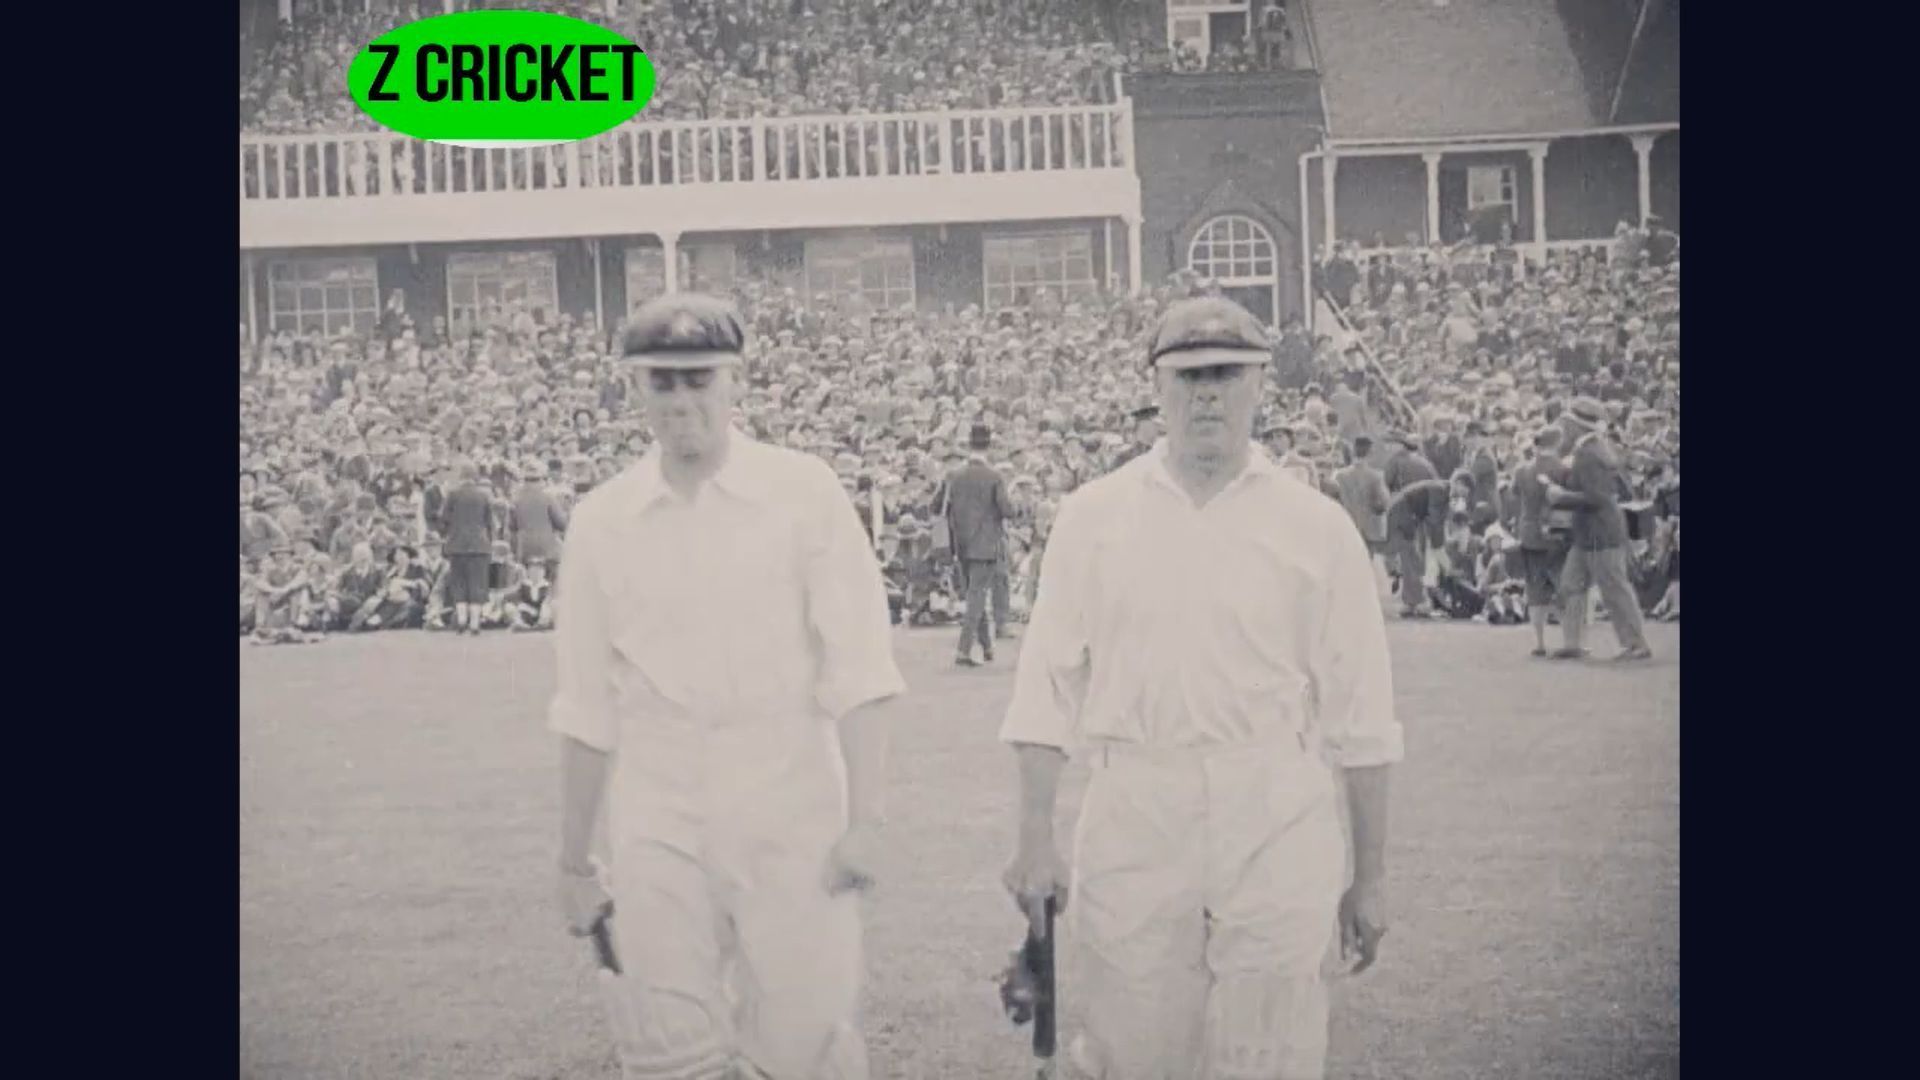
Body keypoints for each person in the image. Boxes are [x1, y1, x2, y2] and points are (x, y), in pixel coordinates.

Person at [999, 296, 1401, 1080]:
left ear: (1259, 388)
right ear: (1158, 388)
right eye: (1187, 377)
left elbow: (1364, 719)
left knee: (1271, 1050)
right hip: (1137, 802)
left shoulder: (1315, 527)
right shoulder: (1094, 517)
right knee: (1134, 1047)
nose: (1206, 394)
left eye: (1225, 375)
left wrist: (1373, 877)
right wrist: (1036, 839)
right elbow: (1045, 691)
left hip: (1274, 802)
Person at [550, 293, 905, 1080]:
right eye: (661, 383)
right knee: (667, 1049)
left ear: (733, 381)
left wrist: (867, 821)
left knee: (809, 1042)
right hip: (658, 805)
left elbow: (862, 672)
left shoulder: (801, 493)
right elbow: (585, 706)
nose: (681, 402)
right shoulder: (602, 519)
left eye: (698, 379)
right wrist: (575, 862)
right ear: (633, 389)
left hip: (789, 794)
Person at [1547, 396, 1654, 661]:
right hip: (1592, 532)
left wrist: (1560, 495)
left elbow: (1597, 498)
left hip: (1599, 532)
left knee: (1613, 588)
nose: (1563, 428)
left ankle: (1635, 643)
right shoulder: (1592, 450)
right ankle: (1574, 642)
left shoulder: (1589, 454)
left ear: (1578, 426)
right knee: (1572, 584)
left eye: (1567, 423)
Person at [945, 420, 1016, 667]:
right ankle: (963, 650)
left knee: (974, 594)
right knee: (976, 597)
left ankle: (986, 647)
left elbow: (938, 507)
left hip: (961, 544)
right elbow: (1007, 510)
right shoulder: (994, 476)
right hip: (986, 545)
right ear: (989, 446)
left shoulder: (955, 475)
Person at [1512, 426, 1568, 657]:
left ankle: (1539, 641)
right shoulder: (1563, 469)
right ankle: (1569, 640)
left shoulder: (1522, 470)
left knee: (1534, 588)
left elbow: (1516, 495)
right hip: (1557, 533)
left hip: (1529, 531)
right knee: (1563, 585)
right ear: (1557, 443)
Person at [1384, 472, 1455, 619]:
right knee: (1411, 561)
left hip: (1403, 516)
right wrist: (1441, 552)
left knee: (1412, 561)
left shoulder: (1439, 489)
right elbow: (1434, 520)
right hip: (1402, 517)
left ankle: (1411, 602)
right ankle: (1414, 602)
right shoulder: (1440, 491)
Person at [439, 459, 494, 636]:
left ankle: (462, 620)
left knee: (459, 583)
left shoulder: (453, 495)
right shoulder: (484, 496)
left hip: (457, 545)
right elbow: (490, 523)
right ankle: (475, 623)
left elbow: (443, 519)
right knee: (477, 584)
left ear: (461, 476)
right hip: (479, 545)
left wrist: (447, 533)